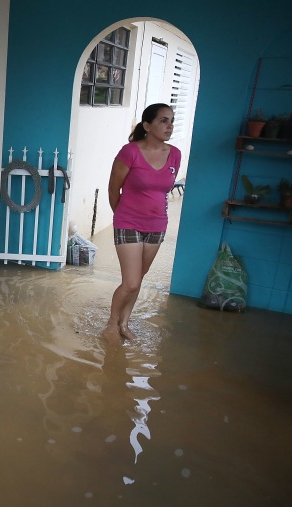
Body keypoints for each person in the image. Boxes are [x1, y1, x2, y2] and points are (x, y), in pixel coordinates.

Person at [104, 103, 181, 345]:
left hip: (158, 224)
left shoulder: (175, 154)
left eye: (171, 120)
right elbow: (113, 188)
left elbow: (164, 190)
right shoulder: (130, 152)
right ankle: (111, 325)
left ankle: (124, 323)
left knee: (140, 276)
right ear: (147, 126)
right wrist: (122, 216)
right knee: (131, 281)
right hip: (128, 222)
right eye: (163, 121)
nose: (169, 126)